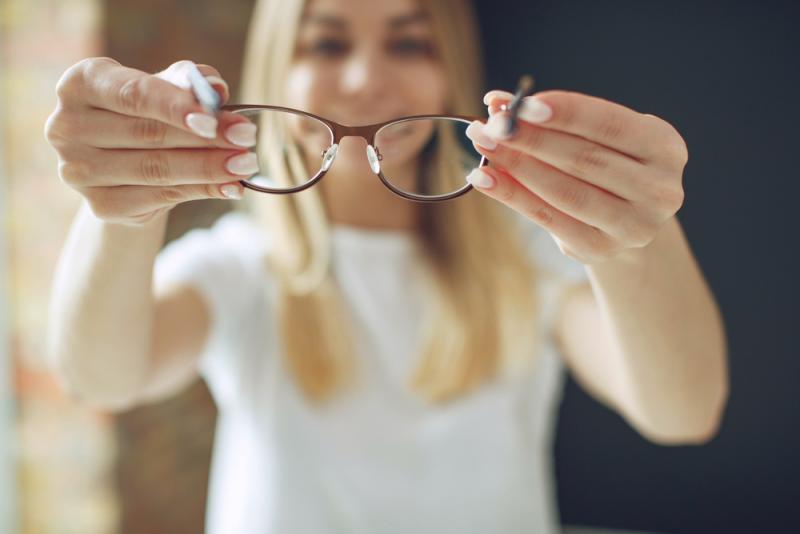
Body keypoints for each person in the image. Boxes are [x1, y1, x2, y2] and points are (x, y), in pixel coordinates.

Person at [43, 0, 729, 532]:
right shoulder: (243, 263)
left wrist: (636, 235)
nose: (368, 78)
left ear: (449, 69)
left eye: (408, 42)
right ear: (279, 67)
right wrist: (121, 210)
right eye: (328, 42)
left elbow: (681, 411)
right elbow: (100, 373)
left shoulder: (524, 255)